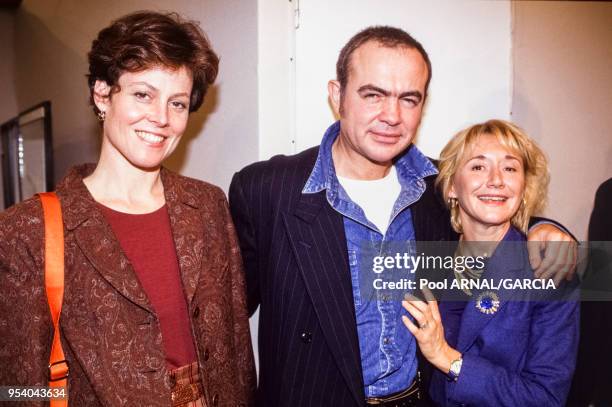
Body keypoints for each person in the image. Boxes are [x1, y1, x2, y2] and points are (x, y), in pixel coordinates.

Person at [229, 26, 576, 406]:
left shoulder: (436, 187)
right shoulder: (267, 190)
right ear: (337, 95)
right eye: (373, 95)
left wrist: (547, 229)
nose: (392, 116)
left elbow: (493, 207)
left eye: (409, 99)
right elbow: (225, 319)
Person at [0, 11, 255, 406]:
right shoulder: (28, 229)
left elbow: (236, 351)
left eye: (178, 103)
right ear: (103, 94)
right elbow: (15, 389)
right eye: (142, 94)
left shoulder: (207, 205)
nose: (161, 118)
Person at [402, 120, 579, 406]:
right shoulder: (429, 257)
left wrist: (447, 358)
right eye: (478, 166)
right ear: (451, 188)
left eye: (510, 168)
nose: (496, 179)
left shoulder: (549, 269)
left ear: (522, 187)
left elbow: (545, 398)